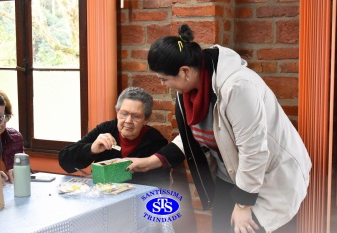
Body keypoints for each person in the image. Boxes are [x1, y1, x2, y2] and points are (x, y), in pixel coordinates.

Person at [126, 24, 312, 233]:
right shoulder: (188, 90)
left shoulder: (236, 87)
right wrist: (152, 161)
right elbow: (192, 135)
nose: (162, 85)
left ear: (185, 71)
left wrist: (243, 204)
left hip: (268, 175)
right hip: (232, 174)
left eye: (164, 79)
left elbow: (254, 150)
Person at [58, 87, 170, 188]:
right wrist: (91, 149)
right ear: (117, 112)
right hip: (100, 197)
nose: (128, 121)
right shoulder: (105, 129)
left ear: (146, 119)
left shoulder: (156, 141)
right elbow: (65, 161)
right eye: (124, 114)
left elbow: (160, 185)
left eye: (136, 116)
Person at [0, 86, 24, 184]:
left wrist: (20, 172)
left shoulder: (14, 138)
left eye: (4, 117)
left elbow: (28, 172)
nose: (1, 123)